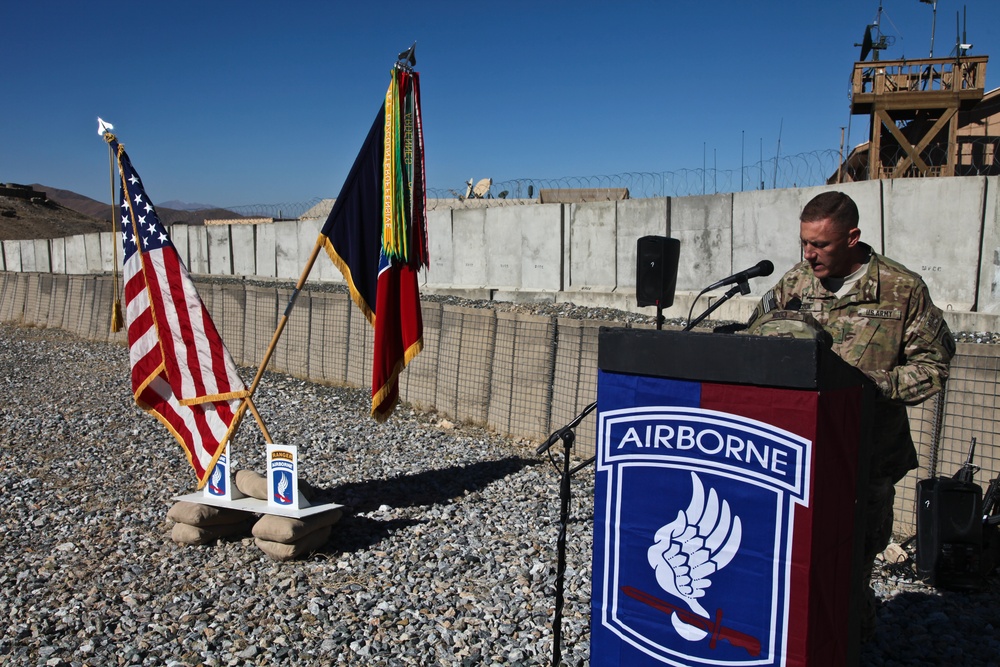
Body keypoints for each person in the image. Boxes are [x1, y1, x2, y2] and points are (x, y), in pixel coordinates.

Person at [744, 190, 955, 642]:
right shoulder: (795, 283)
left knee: (850, 564)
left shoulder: (901, 289)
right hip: (793, 455)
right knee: (791, 558)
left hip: (866, 457)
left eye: (820, 244)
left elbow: (932, 369)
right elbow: (755, 343)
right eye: (804, 242)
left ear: (853, 237)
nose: (808, 253)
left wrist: (868, 387)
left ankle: (848, 644)